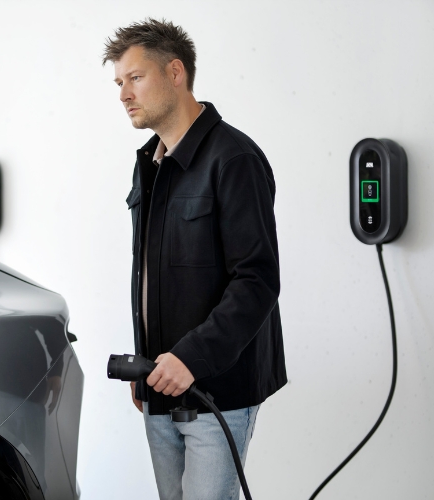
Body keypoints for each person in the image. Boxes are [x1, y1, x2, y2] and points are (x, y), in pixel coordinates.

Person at [102, 18, 287, 500]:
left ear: (176, 72)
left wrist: (190, 356)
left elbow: (257, 280)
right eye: (119, 83)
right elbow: (152, 274)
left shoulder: (235, 159)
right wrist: (147, 364)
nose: (123, 94)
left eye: (135, 78)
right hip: (159, 388)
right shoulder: (149, 163)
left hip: (216, 393)